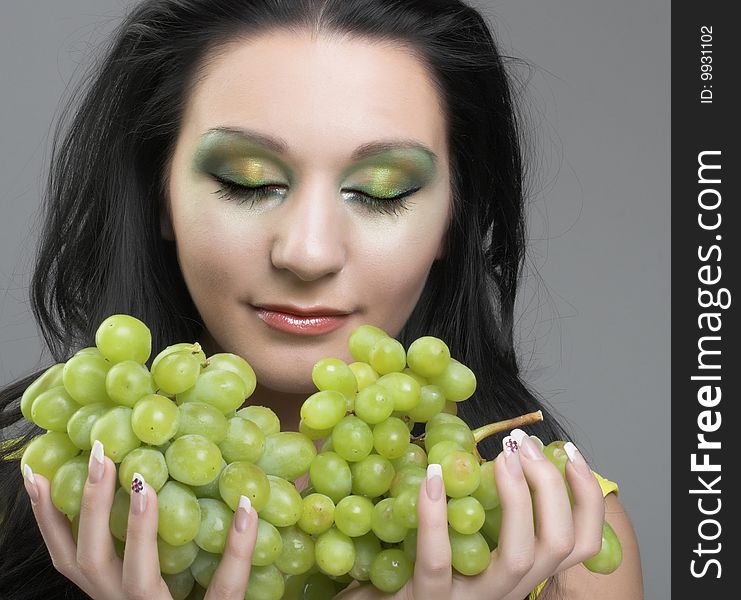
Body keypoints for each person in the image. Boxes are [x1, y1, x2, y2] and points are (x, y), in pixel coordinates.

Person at [0, 0, 644, 598]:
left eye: (382, 191)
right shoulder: (24, 486)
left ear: (455, 219)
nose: (307, 253)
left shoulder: (557, 543)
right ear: (159, 194)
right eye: (246, 182)